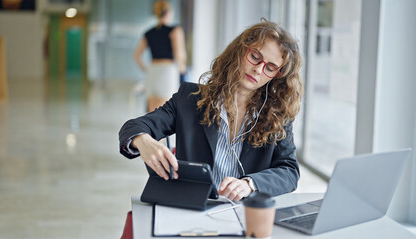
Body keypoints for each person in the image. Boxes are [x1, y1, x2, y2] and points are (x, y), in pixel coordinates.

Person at [120, 20, 303, 201]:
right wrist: (142, 140)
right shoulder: (190, 99)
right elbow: (134, 126)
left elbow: (289, 170)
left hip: (246, 213)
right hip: (194, 209)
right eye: (255, 56)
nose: (258, 69)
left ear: (277, 76)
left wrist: (250, 184)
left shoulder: (278, 115)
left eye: (270, 68)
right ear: (240, 50)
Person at [134, 0, 187, 112]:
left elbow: (136, 55)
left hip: (152, 71)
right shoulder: (175, 30)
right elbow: (179, 55)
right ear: (169, 12)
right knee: (165, 112)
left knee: (152, 113)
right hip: (167, 71)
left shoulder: (148, 33)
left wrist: (147, 70)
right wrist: (182, 68)